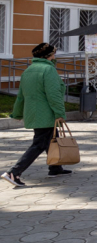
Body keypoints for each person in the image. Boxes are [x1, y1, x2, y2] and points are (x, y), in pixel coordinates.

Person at [1, 43, 71, 188]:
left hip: (33, 112)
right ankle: (14, 172)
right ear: (50, 55)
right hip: (45, 113)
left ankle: (55, 168)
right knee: (39, 144)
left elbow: (21, 96)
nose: (55, 55)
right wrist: (59, 113)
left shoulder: (28, 70)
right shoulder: (48, 70)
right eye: (54, 53)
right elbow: (53, 95)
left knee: (52, 138)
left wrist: (17, 113)